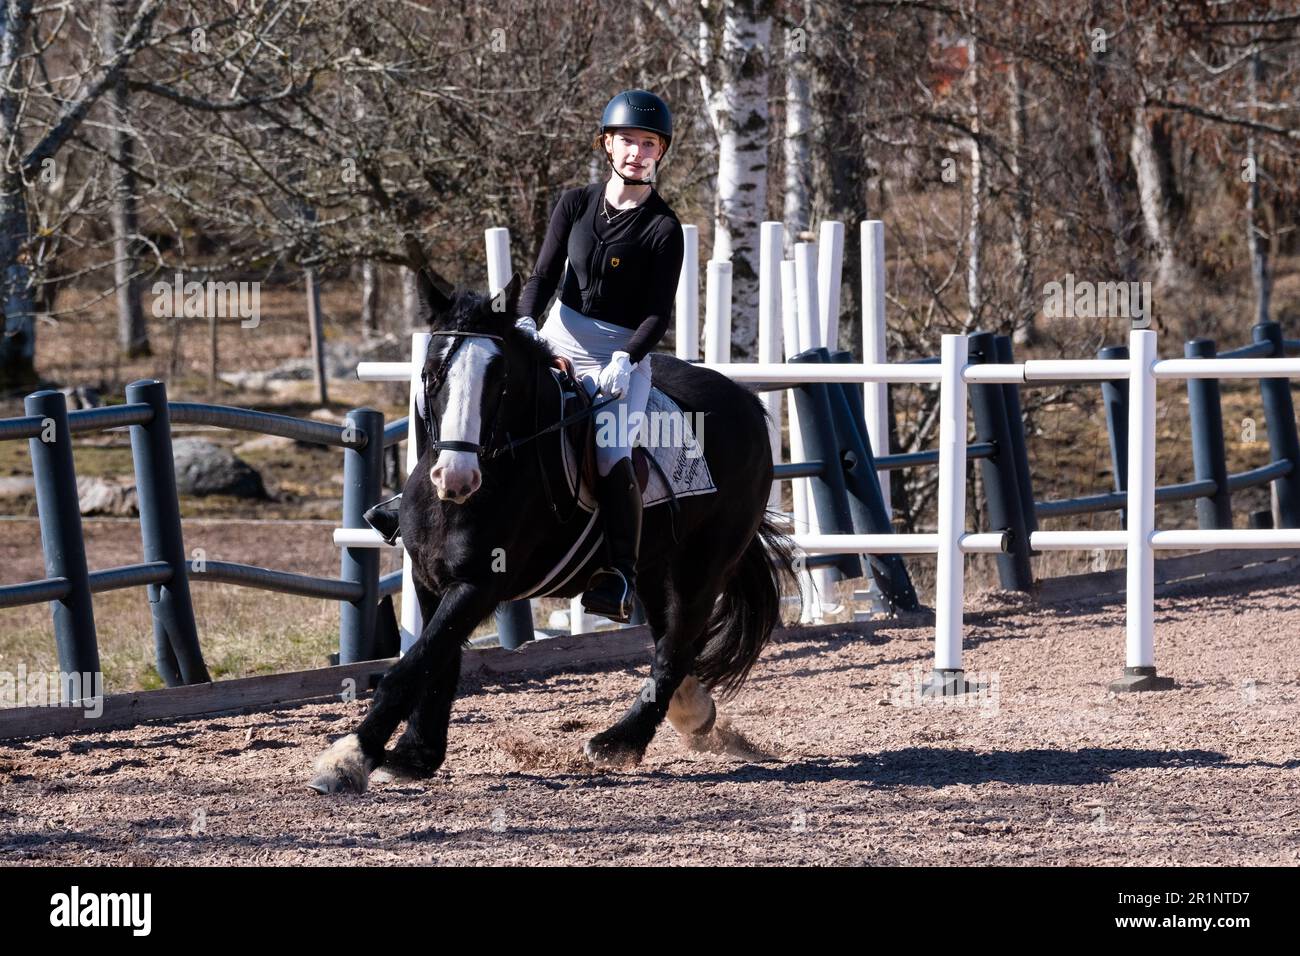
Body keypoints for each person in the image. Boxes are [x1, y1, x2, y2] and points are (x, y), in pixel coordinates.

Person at [365, 89, 685, 625]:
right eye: (627, 140)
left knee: (609, 452)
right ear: (607, 144)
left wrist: (626, 360)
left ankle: (620, 571)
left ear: (660, 153)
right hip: (556, 338)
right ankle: (411, 501)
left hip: (618, 356)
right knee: (474, 397)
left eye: (648, 143)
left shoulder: (663, 227)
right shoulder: (575, 203)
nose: (636, 151)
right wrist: (525, 323)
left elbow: (657, 315)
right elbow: (541, 276)